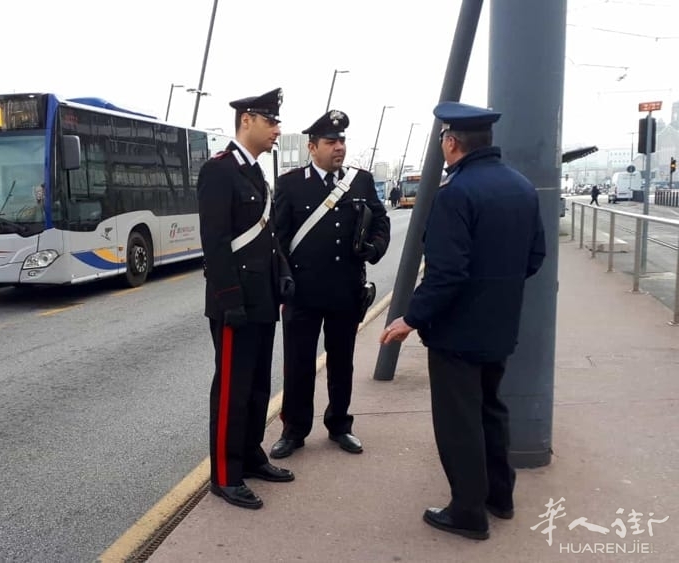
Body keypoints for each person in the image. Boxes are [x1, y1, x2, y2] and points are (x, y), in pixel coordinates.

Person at [380, 101, 546, 541]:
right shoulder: (522, 187)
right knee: (491, 409)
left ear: (452, 143)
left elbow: (447, 273)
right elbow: (534, 257)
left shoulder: (456, 194)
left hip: (457, 332)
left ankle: (468, 512)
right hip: (499, 327)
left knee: (459, 422)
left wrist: (411, 319)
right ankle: (500, 497)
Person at [269, 109, 391, 460]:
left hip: (345, 290)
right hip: (303, 292)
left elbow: (380, 221)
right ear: (312, 147)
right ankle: (294, 430)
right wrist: (282, 280)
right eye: (331, 141)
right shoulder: (291, 184)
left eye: (342, 141)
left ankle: (339, 424)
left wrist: (374, 248)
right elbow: (278, 238)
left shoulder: (360, 181)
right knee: (299, 364)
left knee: (342, 362)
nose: (339, 147)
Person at [197, 87, 296, 510]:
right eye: (270, 121)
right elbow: (216, 243)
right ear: (247, 121)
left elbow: (267, 237)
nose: (277, 129)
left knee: (257, 387)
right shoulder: (219, 171)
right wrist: (230, 299)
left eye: (277, 121)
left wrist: (283, 274)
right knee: (232, 391)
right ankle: (225, 474)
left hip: (262, 298)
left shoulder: (255, 173)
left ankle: (251, 455)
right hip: (235, 302)